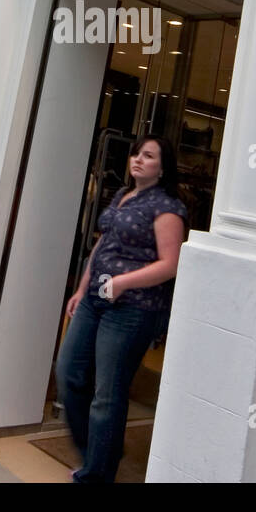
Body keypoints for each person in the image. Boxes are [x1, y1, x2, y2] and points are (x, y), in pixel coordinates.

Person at [56, 134, 187, 483]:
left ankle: (96, 474)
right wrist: (83, 288)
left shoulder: (167, 207)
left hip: (132, 307)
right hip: (96, 298)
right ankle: (99, 452)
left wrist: (123, 282)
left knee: (107, 393)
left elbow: (171, 263)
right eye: (136, 153)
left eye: (149, 156)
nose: (138, 159)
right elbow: (103, 246)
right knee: (68, 373)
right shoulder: (122, 196)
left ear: (162, 168)